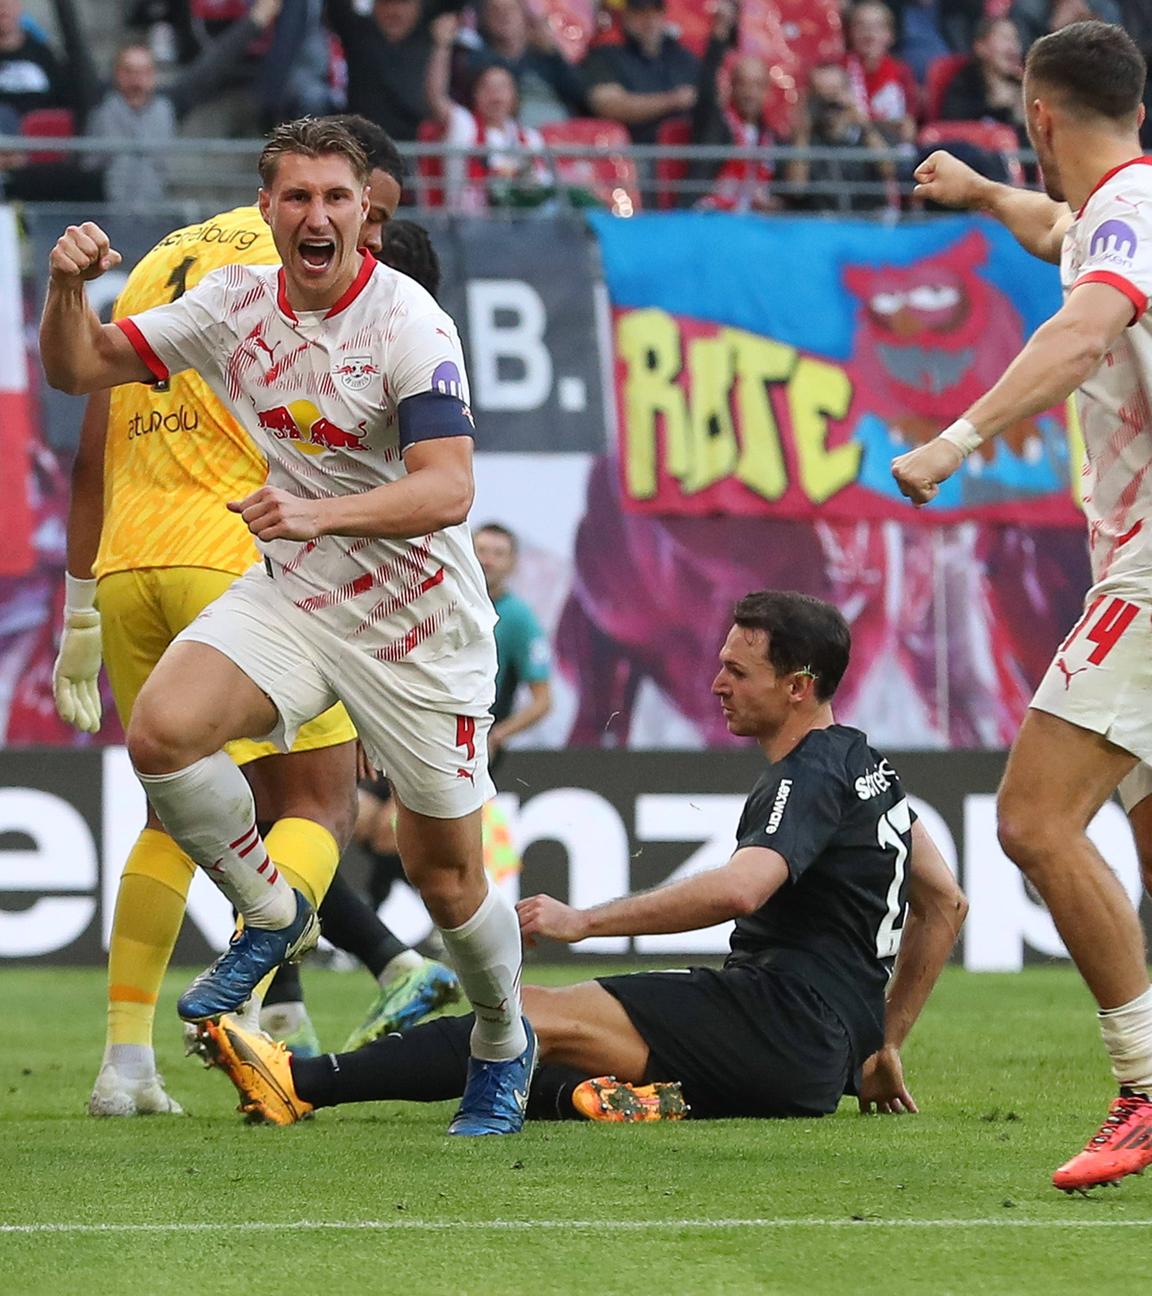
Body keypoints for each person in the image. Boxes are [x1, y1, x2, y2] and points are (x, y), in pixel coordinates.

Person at [40, 115, 531, 1136]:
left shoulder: (411, 323)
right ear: (268, 213)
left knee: (447, 882)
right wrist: (63, 289)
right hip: (297, 596)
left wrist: (316, 511)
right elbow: (79, 370)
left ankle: (501, 1034)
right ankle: (271, 908)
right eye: (296, 197)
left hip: (415, 625)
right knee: (164, 733)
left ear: (366, 214)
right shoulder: (232, 303)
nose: (317, 215)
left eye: (336, 198)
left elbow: (447, 490)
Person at [190, 590, 967, 1127]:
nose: (716, 683)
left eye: (738, 670)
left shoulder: (805, 778)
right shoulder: (865, 761)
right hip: (808, 1052)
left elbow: (741, 890)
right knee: (551, 1045)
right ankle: (601, 1098)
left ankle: (296, 1082)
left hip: (781, 1022)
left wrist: (585, 919)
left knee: (523, 1016)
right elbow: (946, 902)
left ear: (799, 686)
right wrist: (882, 1042)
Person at [891, 20, 1152, 1192]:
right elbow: (1063, 237)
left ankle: (1146, 1089)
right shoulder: (1116, 210)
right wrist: (987, 189)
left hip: (1150, 574)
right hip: (1131, 564)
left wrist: (956, 438)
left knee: (1033, 822)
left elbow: (1086, 324)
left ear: (1041, 113)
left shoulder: (1132, 219)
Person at [85, 0, 283, 208]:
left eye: (144, 72)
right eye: (129, 71)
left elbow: (213, 67)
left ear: (153, 74)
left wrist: (255, 22)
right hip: (105, 215)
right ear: (117, 74)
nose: (136, 80)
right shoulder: (98, 104)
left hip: (156, 216)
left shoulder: (168, 105)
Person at [424, 11, 551, 212]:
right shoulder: (464, 126)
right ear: (474, 95)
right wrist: (442, 46)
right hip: (465, 233)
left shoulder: (531, 138)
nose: (495, 96)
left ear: (515, 95)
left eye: (502, 87)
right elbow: (436, 96)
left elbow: (543, 192)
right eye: (487, 88)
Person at [323, 0, 464, 141]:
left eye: (404, 3)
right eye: (386, 2)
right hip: (363, 144)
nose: (395, 12)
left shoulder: (429, 32)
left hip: (419, 148)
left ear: (419, 6)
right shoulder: (356, 31)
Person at [472, 522, 551, 761]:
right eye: (481, 551)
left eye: (498, 554)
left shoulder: (519, 618)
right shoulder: (446, 604)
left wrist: (497, 736)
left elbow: (543, 701)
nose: (488, 561)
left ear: (513, 563)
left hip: (473, 740)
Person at [690, 0, 778, 214]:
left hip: (755, 226)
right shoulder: (714, 124)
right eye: (743, 84)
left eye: (757, 85)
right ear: (732, 87)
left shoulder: (771, 137)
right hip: (711, 222)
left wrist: (778, 204)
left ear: (767, 92)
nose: (750, 93)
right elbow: (706, 87)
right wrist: (719, 36)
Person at [579, 0, 698, 147]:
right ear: (625, 15)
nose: (650, 20)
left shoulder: (680, 56)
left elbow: (710, 96)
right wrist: (672, 101)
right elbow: (608, 104)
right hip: (635, 151)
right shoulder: (605, 56)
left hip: (688, 148)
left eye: (656, 11)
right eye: (640, 12)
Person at [785, 63, 894, 213]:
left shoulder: (869, 134)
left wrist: (863, 124)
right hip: (822, 225)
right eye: (821, 94)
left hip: (866, 224)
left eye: (835, 92)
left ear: (848, 93)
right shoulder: (803, 140)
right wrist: (803, 131)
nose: (829, 104)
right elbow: (796, 188)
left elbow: (889, 170)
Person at [461, 0, 586, 128]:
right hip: (516, 138)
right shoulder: (480, 59)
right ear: (485, 18)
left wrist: (553, 53)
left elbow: (579, 95)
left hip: (562, 135)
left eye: (511, 9)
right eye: (495, 10)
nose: (504, 15)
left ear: (524, 16)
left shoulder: (544, 55)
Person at [939, 17, 1026, 142]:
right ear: (981, 47)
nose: (1014, 47)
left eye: (1015, 39)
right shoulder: (965, 82)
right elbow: (953, 122)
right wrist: (1001, 109)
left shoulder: (1024, 85)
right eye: (1005, 38)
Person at [844, 1, 918, 148]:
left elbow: (908, 127)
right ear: (850, 33)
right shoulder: (838, 70)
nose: (869, 33)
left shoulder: (902, 71)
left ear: (890, 35)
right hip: (849, 149)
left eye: (878, 27)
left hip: (892, 148)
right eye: (861, 26)